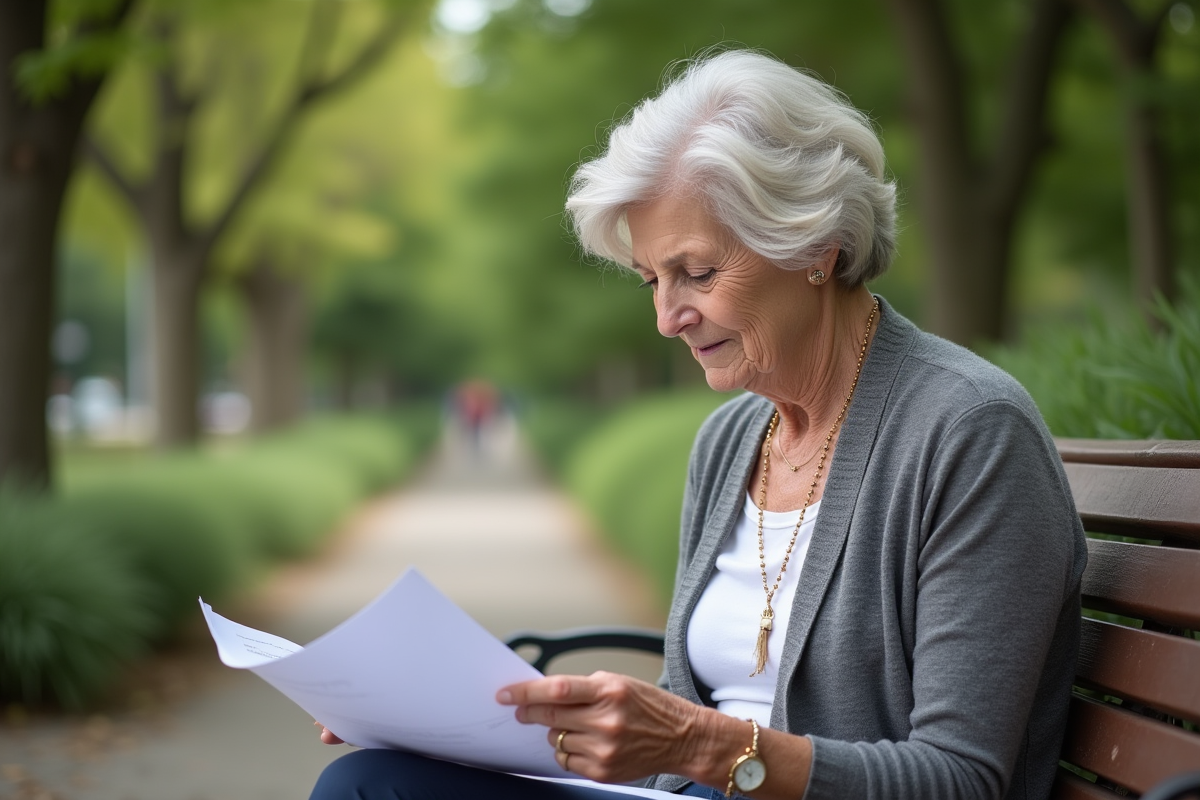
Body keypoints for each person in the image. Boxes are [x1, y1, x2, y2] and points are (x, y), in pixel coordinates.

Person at [309, 49, 1087, 800]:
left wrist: (701, 747)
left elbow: (960, 779)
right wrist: (484, 723)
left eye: (698, 273)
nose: (667, 318)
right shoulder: (730, 441)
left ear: (817, 243)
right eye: (653, 280)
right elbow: (673, 731)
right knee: (370, 781)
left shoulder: (969, 432)